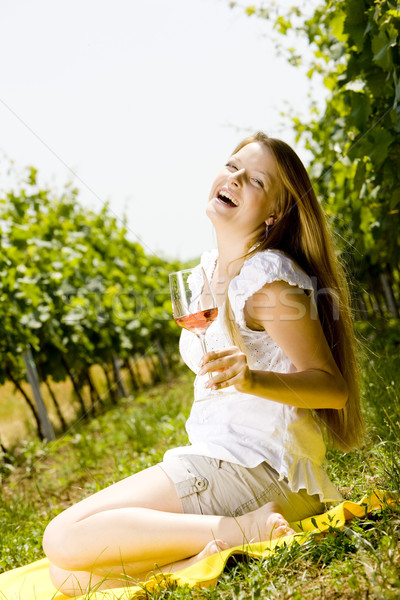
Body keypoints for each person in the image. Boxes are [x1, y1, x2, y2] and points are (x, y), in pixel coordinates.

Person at [42, 132, 364, 596]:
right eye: (232, 166)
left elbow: (332, 388)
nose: (234, 178)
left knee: (63, 537)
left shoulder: (265, 278)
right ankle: (210, 546)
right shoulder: (206, 273)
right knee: (68, 573)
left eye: (254, 179)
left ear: (274, 213)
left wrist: (252, 378)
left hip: (259, 470)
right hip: (217, 460)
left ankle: (244, 530)